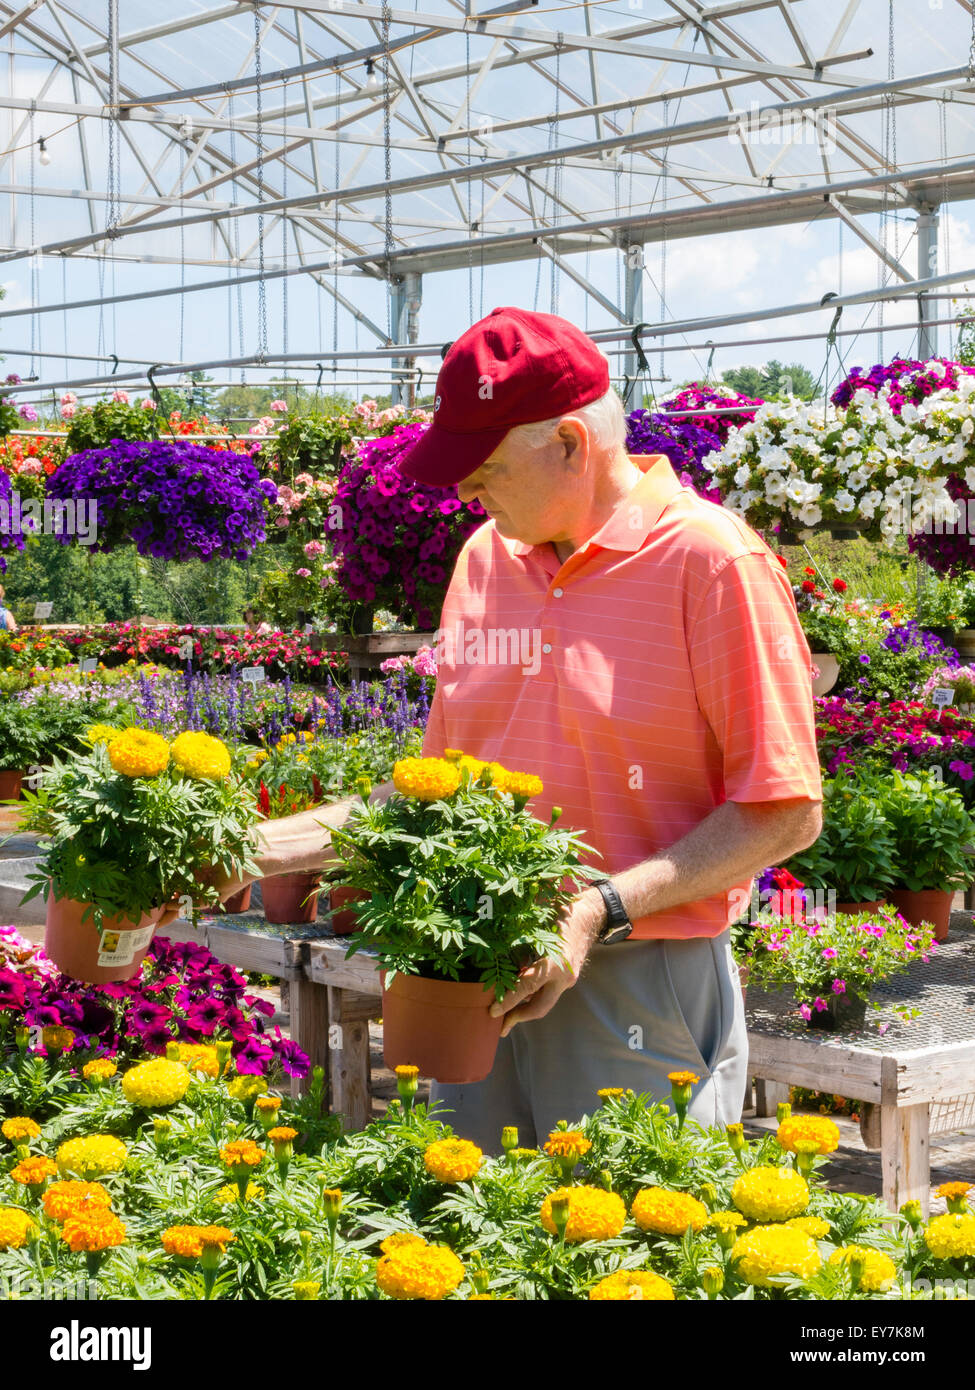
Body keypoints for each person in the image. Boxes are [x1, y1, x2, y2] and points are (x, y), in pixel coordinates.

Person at [197, 306, 822, 1146]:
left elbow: (782, 809)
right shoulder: (485, 561)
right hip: (469, 965)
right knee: (475, 1240)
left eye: (483, 466)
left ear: (569, 442)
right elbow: (438, 793)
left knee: (626, 1254)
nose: (462, 490)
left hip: (638, 977)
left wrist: (597, 908)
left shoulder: (711, 564)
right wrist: (255, 846)